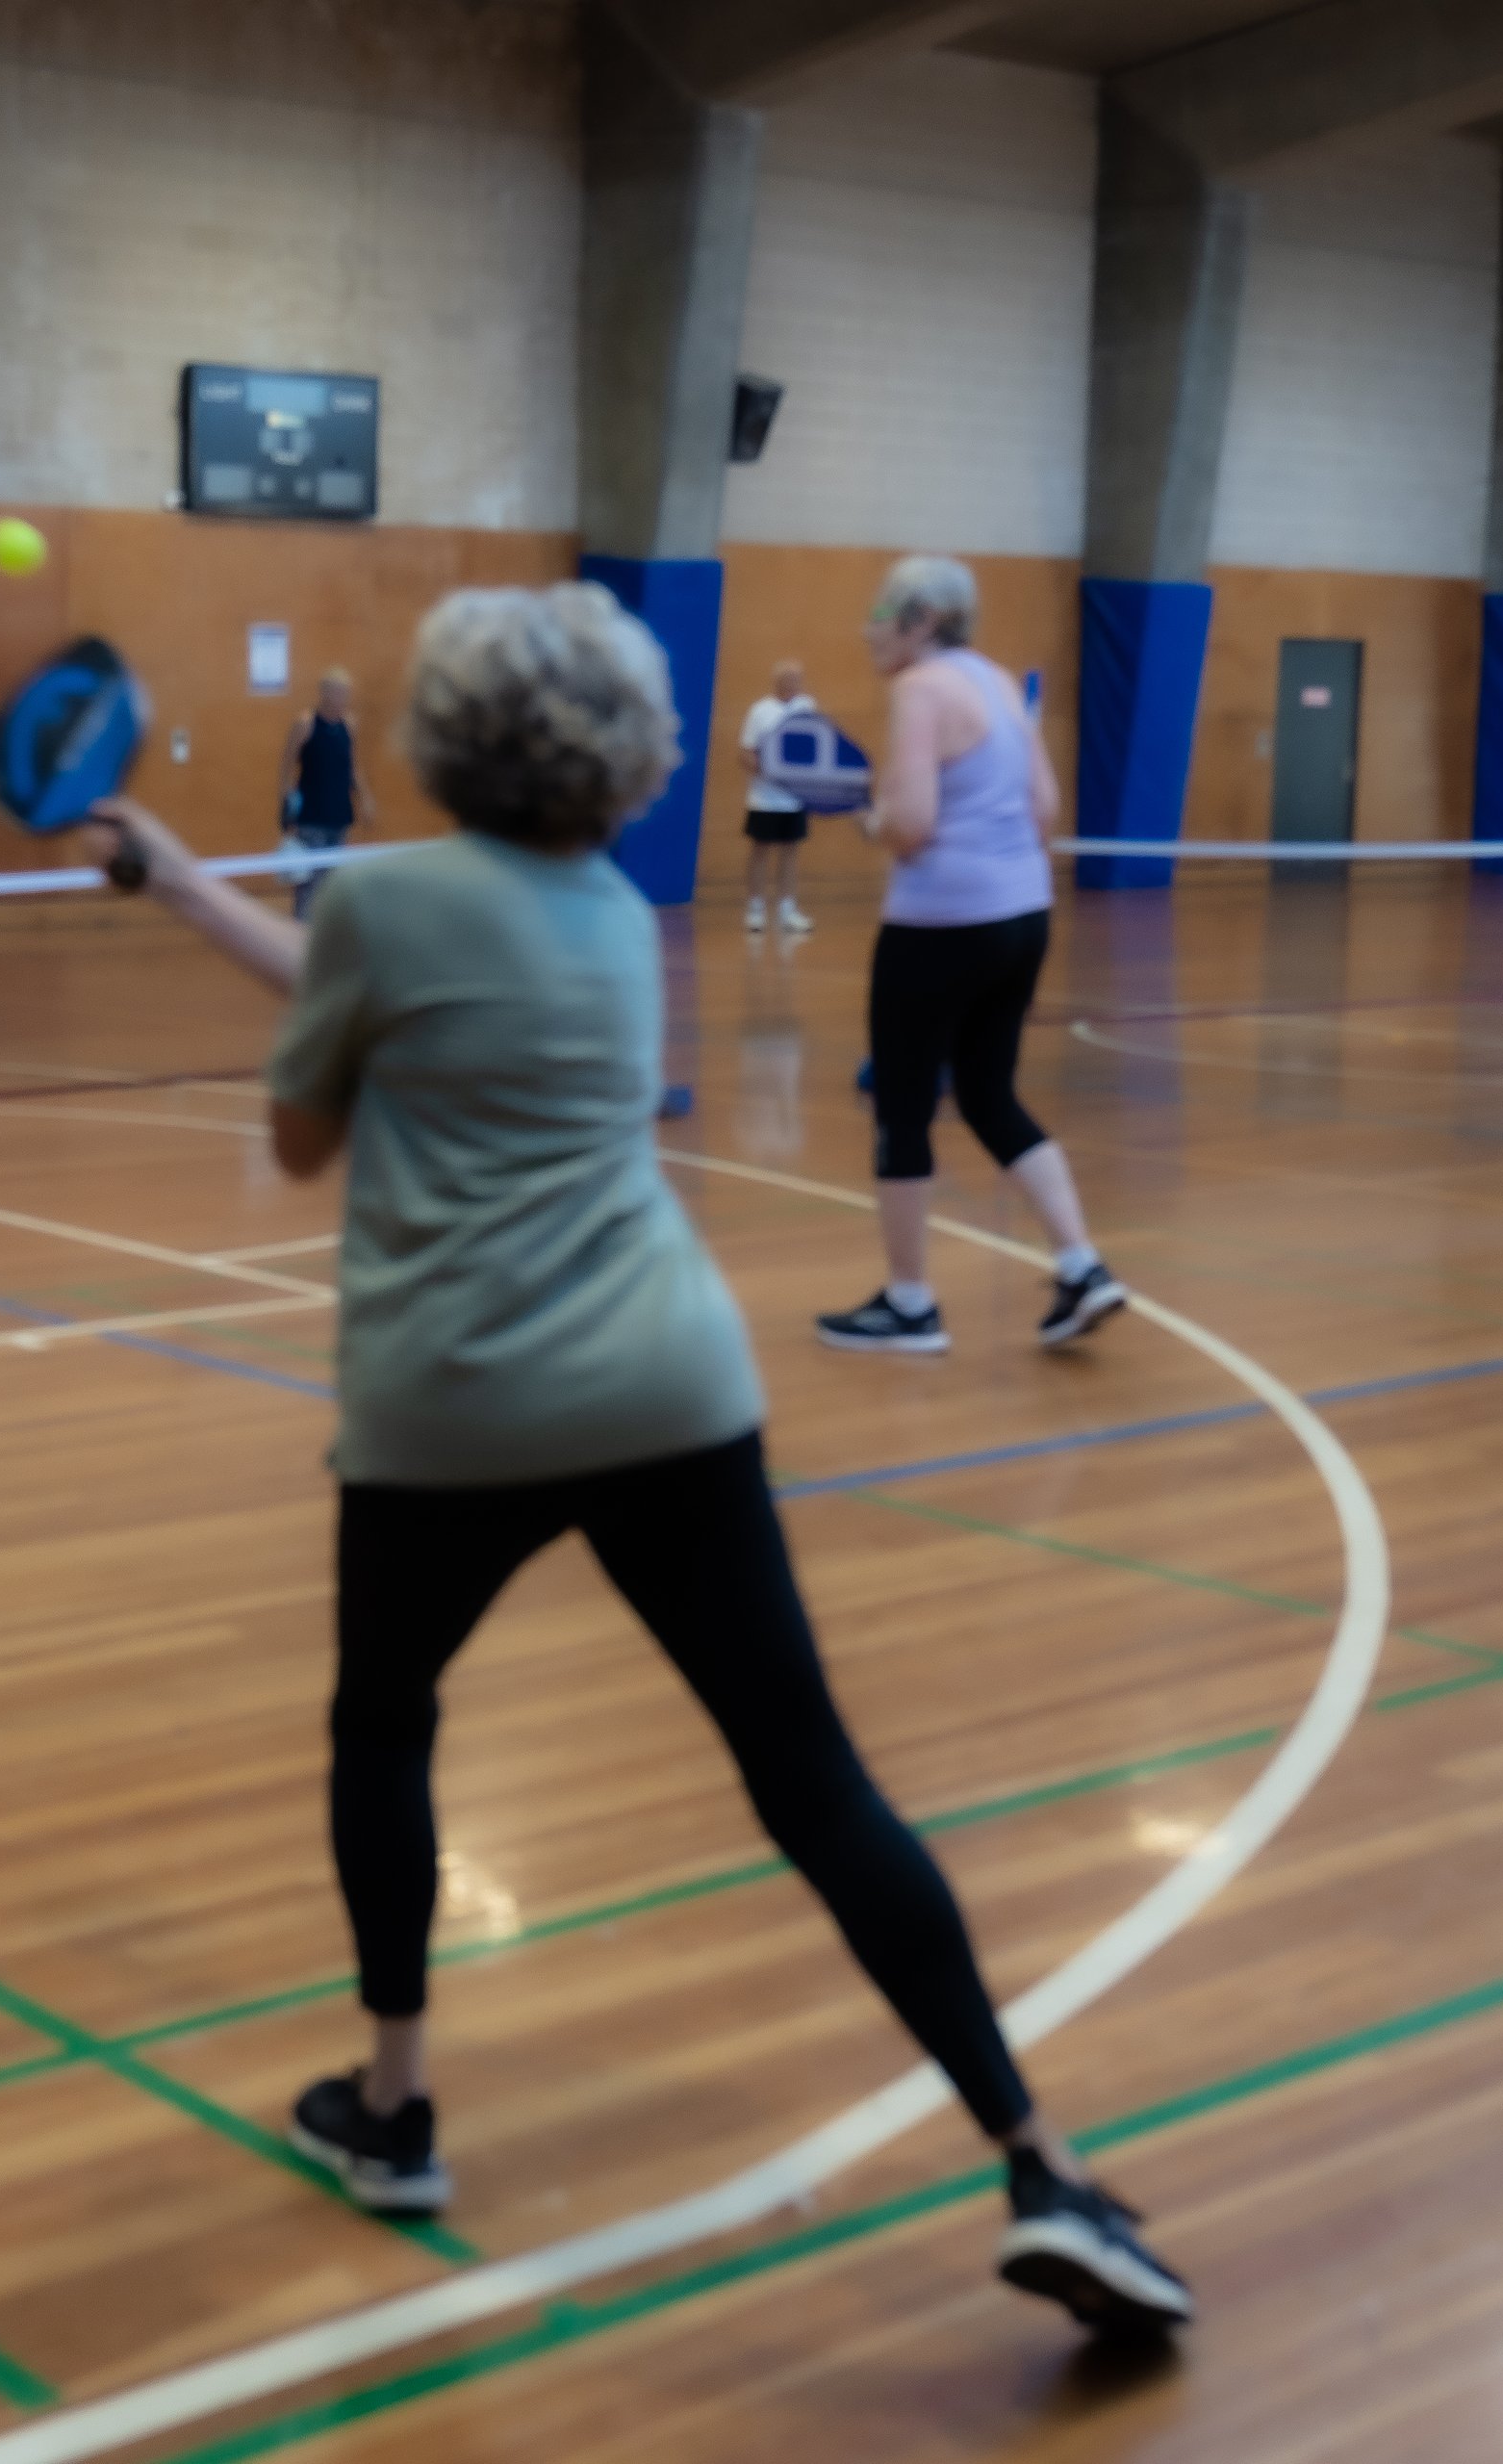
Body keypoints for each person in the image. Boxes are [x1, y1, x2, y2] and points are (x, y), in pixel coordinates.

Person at [75, 581, 1189, 2338]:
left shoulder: (383, 904)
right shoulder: (608, 913)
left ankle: (395, 2108)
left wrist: (276, 993)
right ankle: (1044, 2164)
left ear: (446, 734)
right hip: (672, 1387)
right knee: (815, 1786)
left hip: (446, 1408)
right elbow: (392, 970)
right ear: (625, 752)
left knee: (386, 1724)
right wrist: (193, 888)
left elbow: (306, 1133)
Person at [817, 556, 1125, 1358]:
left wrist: (875, 823)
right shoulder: (995, 684)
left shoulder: (918, 691)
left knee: (904, 1107)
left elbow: (911, 825)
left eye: (880, 612)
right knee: (990, 1094)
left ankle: (910, 1304)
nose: (867, 627)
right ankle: (1081, 1264)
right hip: (1021, 918)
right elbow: (1044, 809)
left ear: (920, 620)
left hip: (939, 925)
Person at [273, 667, 375, 919]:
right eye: (340, 693)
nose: (345, 699)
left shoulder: (349, 725)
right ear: (326, 694)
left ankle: (326, 937)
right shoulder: (305, 724)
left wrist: (366, 799)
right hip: (311, 818)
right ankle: (300, 936)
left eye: (347, 693)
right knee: (308, 885)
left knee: (334, 883)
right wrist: (287, 809)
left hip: (339, 815)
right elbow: (286, 768)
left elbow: (352, 767)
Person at [738, 655, 818, 936]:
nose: (795, 684)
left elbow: (813, 747)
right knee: (760, 851)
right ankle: (755, 911)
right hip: (765, 798)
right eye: (789, 679)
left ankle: (787, 912)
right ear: (778, 681)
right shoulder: (760, 711)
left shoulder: (807, 707)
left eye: (798, 679)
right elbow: (746, 753)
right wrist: (769, 773)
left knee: (790, 852)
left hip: (795, 798)